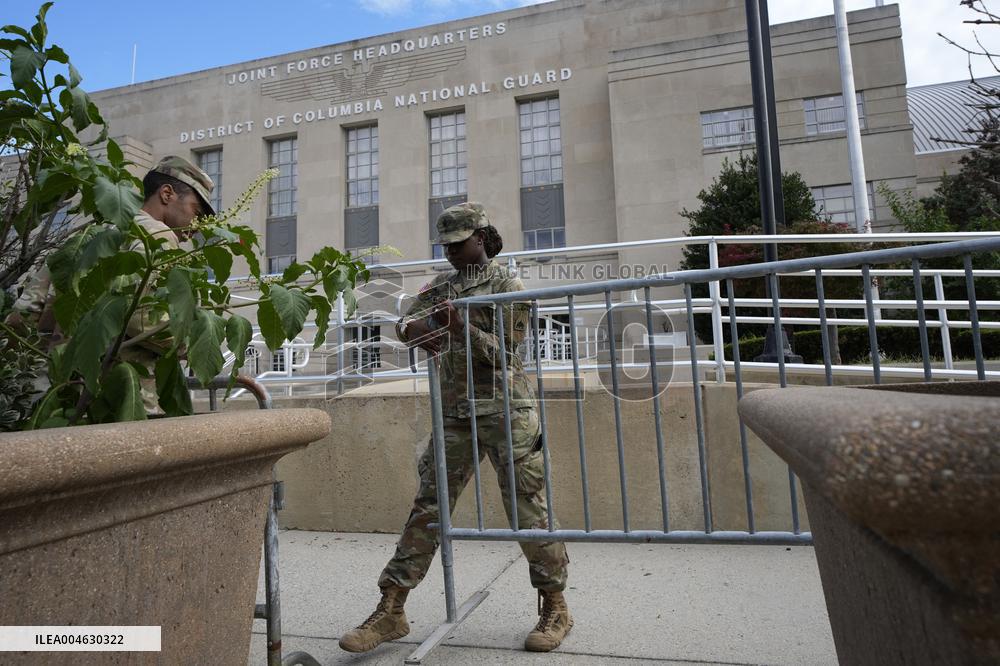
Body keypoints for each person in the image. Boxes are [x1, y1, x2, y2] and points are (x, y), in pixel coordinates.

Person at [338, 202, 572, 654]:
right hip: (456, 414)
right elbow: (405, 325)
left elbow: (507, 354)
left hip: (507, 412)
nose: (449, 252)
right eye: (444, 245)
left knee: (528, 509)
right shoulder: (441, 286)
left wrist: (461, 327)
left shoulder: (507, 286)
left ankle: (555, 605)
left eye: (458, 244)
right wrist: (425, 328)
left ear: (481, 238)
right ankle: (391, 608)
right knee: (428, 507)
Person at [5, 155, 215, 413]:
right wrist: (192, 345)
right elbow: (143, 316)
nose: (198, 226)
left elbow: (22, 316)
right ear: (167, 194)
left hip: (57, 394)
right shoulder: (157, 235)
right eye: (197, 212)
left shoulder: (94, 234)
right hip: (118, 397)